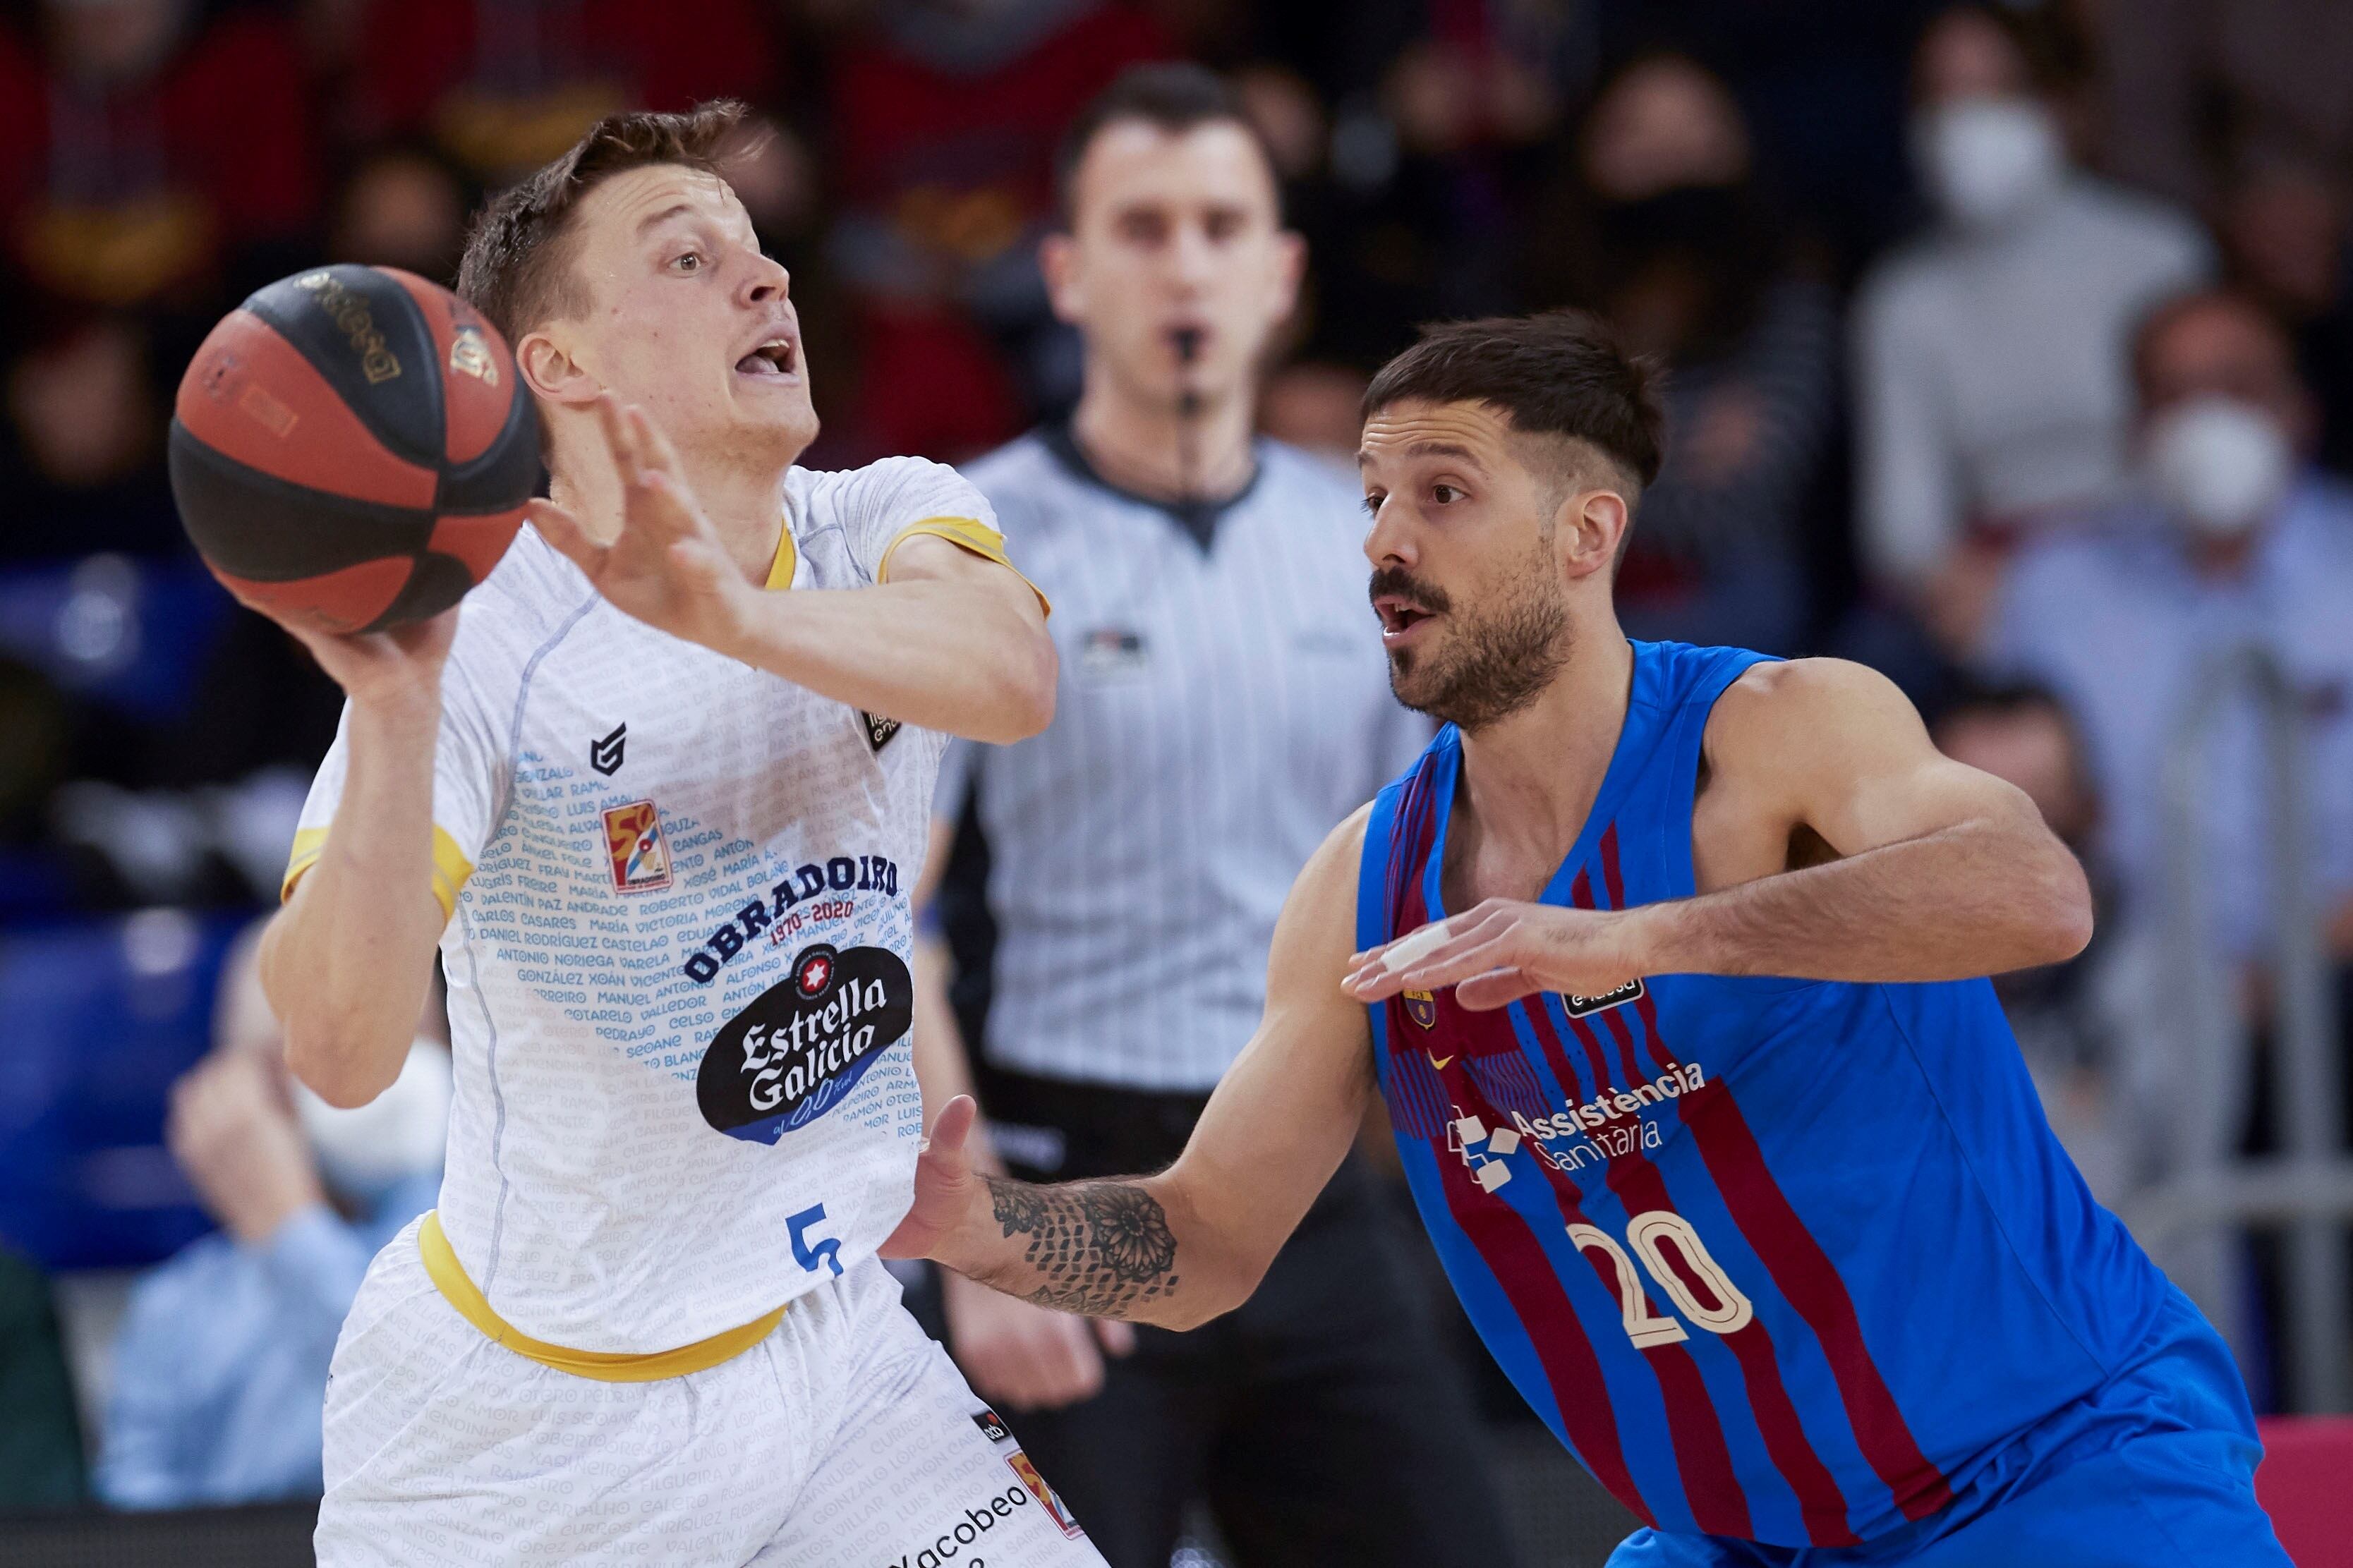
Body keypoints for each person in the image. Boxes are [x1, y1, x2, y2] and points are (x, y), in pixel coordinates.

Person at [887, 311, 2291, 1565]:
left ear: (1581, 536)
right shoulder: (1361, 883)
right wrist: (984, 1228)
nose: (1383, 536)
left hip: (2047, 1471)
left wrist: (1653, 935)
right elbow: (1202, 1239)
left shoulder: (1776, 730)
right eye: (1371, 498)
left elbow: (2027, 890)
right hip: (1737, 1541)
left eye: (1440, 493)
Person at [251, 104, 1092, 1567]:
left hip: (833, 1354)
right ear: (557, 365)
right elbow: (334, 1050)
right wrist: (390, 716)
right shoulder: (478, 632)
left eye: (761, 254)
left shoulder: (889, 515)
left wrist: (730, 615)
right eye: (691, 258)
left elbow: (1013, 677)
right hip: (528, 1438)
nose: (765, 282)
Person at [921, 63, 1512, 1568]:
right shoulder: (963, 545)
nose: (1180, 260)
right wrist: (977, 1238)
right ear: (1063, 270)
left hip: (1307, 1186)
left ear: (1279, 274)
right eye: (1138, 226)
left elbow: (1454, 867)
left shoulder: (1369, 548)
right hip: (1063, 1191)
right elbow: (884, 922)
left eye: (1215, 224)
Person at [1987, 288, 2353, 970]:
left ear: (2298, 408)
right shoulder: (2051, 587)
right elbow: (2014, 814)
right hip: (2132, 994)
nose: (2206, 418)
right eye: (2174, 394)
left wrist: (2286, 983)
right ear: (2136, 427)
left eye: (2236, 386)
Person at [1852, 3, 2210, 657]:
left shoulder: (2161, 254)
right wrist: (1952, 579)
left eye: (1997, 91)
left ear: (2062, 104)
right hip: (1990, 590)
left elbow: (2202, 446)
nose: (1966, 120)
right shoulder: (1900, 299)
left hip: (2156, 560)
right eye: (1944, 97)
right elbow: (1901, 522)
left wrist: (2078, 581)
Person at [96, 923, 444, 1509]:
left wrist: (290, 1225)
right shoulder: (177, 1304)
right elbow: (131, 1516)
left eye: (399, 1047)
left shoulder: (484, 1256)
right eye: (282, 1062)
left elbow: (432, 1405)